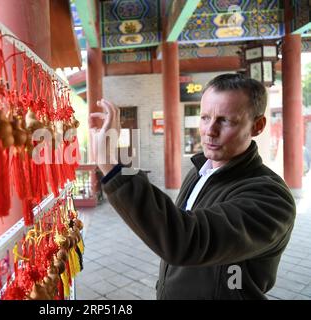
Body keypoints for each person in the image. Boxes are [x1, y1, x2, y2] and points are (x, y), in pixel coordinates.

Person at [90, 73, 296, 300]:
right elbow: (175, 225)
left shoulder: (271, 198)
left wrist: (111, 165)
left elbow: (186, 240)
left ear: (257, 126)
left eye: (225, 120)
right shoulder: (200, 171)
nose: (210, 130)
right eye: (205, 117)